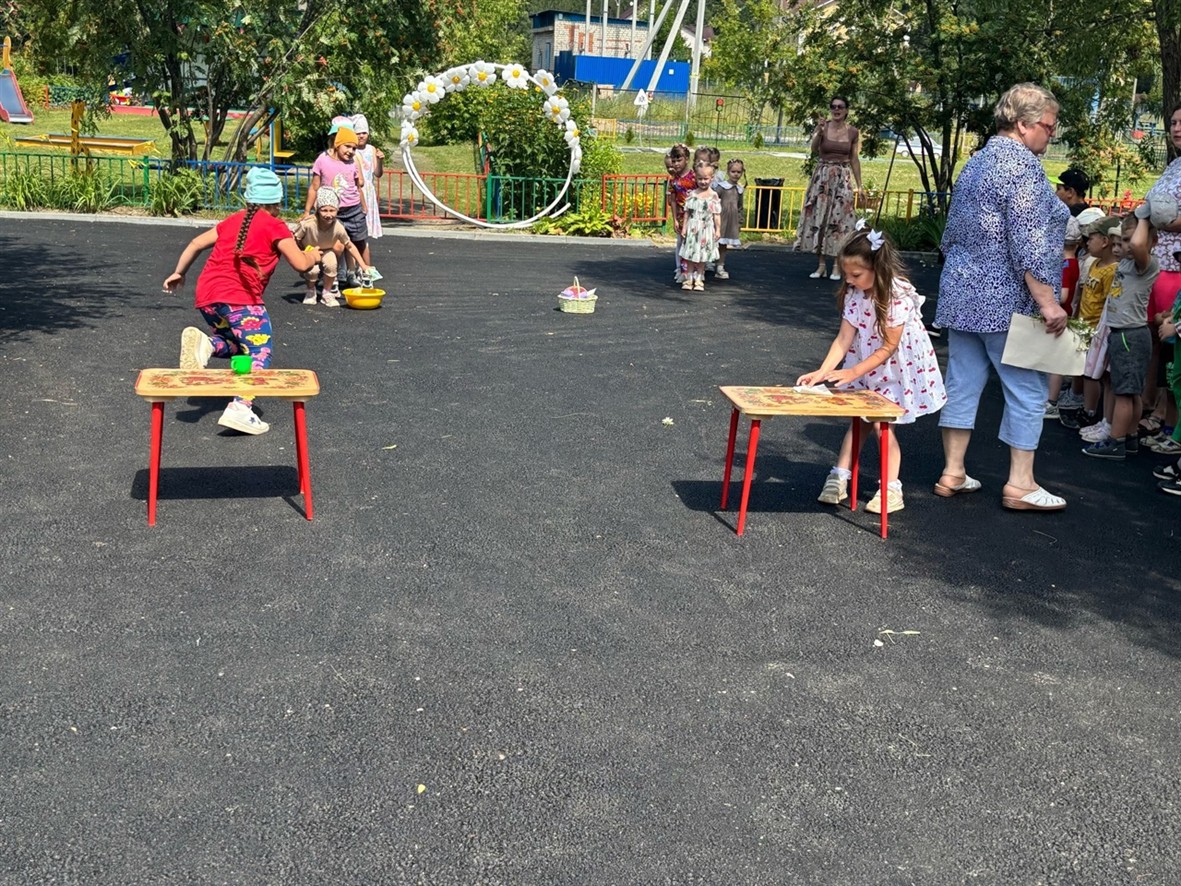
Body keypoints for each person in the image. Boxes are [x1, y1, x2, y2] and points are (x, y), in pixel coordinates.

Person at [933, 82, 1070, 512]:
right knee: (1027, 389)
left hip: (961, 294)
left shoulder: (976, 163)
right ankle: (1020, 484)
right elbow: (1028, 243)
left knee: (962, 382)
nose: (1051, 134)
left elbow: (951, 234)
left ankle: (953, 471)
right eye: (1048, 126)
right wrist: (1048, 303)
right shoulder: (1023, 168)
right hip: (1006, 301)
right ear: (1024, 124)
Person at [797, 225, 946, 514]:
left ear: (877, 268)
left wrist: (853, 373)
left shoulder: (896, 295)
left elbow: (889, 347)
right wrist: (822, 372)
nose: (849, 280)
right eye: (847, 274)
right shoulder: (855, 294)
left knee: (880, 423)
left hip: (895, 368)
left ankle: (891, 488)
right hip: (866, 361)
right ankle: (840, 475)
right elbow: (843, 339)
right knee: (859, 418)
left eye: (856, 274)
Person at [163, 167, 321, 435]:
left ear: (248, 199)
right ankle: (241, 406)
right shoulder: (275, 226)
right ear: (277, 203)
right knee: (260, 350)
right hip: (240, 299)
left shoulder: (233, 220)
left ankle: (208, 345)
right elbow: (300, 263)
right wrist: (313, 256)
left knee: (239, 347)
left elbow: (196, 243)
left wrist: (179, 272)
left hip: (208, 297)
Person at [1081, 214, 1159, 459]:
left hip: (1130, 336)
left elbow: (1138, 244)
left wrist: (1144, 217)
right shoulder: (1124, 263)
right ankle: (1130, 436)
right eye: (1121, 241)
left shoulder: (1145, 264)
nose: (1123, 246)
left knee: (1123, 393)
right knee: (1130, 391)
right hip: (1122, 334)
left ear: (1151, 241)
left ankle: (1116, 441)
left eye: (1128, 240)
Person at [1140, 103, 1181, 451]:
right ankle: (1149, 404)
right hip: (1156, 261)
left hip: (1177, 266)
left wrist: (1158, 220)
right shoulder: (1174, 165)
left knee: (1171, 343)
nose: (1177, 128)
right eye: (1174, 122)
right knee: (1153, 337)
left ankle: (1168, 417)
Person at [795, 96, 862, 280]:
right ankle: (821, 265)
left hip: (842, 177)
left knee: (841, 221)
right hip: (823, 177)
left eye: (840, 107)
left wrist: (860, 185)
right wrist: (819, 131)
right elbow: (813, 149)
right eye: (833, 106)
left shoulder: (853, 132)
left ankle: (837, 266)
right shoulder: (823, 127)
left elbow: (854, 159)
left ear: (846, 110)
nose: (836, 110)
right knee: (821, 218)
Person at [304, 125, 368, 288]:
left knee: (358, 241)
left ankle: (355, 272)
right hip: (332, 211)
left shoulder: (353, 162)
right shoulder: (323, 160)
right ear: (337, 144)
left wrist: (363, 206)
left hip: (353, 208)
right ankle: (332, 274)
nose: (351, 151)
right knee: (335, 244)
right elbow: (314, 187)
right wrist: (307, 211)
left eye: (354, 148)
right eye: (347, 146)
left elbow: (358, 186)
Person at [291, 187, 372, 307]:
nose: (328, 215)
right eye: (324, 210)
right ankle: (310, 291)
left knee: (331, 264)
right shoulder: (308, 225)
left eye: (332, 210)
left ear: (337, 210)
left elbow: (350, 246)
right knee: (313, 270)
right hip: (310, 250)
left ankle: (327, 292)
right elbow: (295, 239)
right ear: (318, 210)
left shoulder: (338, 227)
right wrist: (300, 253)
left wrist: (363, 265)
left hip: (327, 249)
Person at [677, 163, 721, 291]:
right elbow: (687, 213)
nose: (703, 182)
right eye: (700, 178)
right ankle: (689, 278)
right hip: (693, 228)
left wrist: (718, 230)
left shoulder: (713, 196)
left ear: (711, 178)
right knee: (691, 254)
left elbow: (716, 215)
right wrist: (684, 228)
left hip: (706, 229)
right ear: (696, 178)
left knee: (702, 255)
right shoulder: (692, 194)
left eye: (706, 178)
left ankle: (699, 278)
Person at [351, 114, 384, 265]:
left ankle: (362, 265)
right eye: (358, 133)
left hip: (368, 192)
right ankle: (355, 265)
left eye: (364, 133)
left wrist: (380, 161)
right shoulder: (351, 150)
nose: (361, 136)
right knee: (355, 230)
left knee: (364, 232)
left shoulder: (371, 150)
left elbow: (377, 173)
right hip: (356, 191)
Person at [664, 144, 695, 283]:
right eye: (674, 161)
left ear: (686, 159)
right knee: (682, 243)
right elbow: (673, 200)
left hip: (695, 216)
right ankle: (683, 270)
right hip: (682, 216)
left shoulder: (694, 177)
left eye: (679, 160)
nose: (676, 164)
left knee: (693, 243)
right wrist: (675, 219)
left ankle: (695, 270)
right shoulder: (674, 180)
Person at [713, 158, 745, 280]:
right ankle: (706, 263)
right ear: (728, 172)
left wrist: (740, 221)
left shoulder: (739, 189)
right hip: (720, 219)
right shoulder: (722, 187)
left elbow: (740, 206)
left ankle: (720, 266)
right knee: (712, 242)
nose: (736, 174)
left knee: (723, 244)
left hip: (731, 221)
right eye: (733, 171)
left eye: (738, 172)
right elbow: (714, 200)